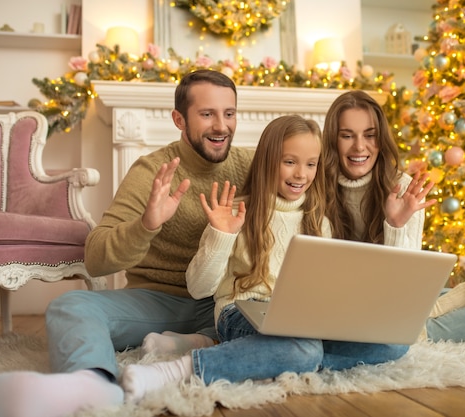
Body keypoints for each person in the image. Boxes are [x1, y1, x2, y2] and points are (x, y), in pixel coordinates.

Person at [0, 69, 254, 417]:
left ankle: (195, 343)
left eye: (229, 113)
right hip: (163, 301)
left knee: (287, 324)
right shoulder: (151, 172)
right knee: (71, 306)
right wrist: (146, 225)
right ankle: (94, 384)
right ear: (179, 119)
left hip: (227, 300)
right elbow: (96, 257)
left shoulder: (252, 164)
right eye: (207, 114)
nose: (221, 126)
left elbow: (310, 174)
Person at [120, 114, 410, 402]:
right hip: (242, 310)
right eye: (289, 162)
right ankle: (177, 371)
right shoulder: (234, 212)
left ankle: (246, 353)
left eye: (311, 164)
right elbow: (199, 288)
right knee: (304, 349)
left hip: (303, 319)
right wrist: (222, 235)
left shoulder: (319, 220)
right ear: (268, 160)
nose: (301, 174)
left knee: (393, 343)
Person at [321, 90, 465, 343]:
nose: (359, 146)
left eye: (370, 135)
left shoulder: (403, 187)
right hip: (343, 301)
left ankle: (402, 333)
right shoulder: (316, 186)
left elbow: (403, 286)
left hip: (395, 295)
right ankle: (406, 329)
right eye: (346, 136)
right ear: (333, 139)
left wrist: (396, 225)